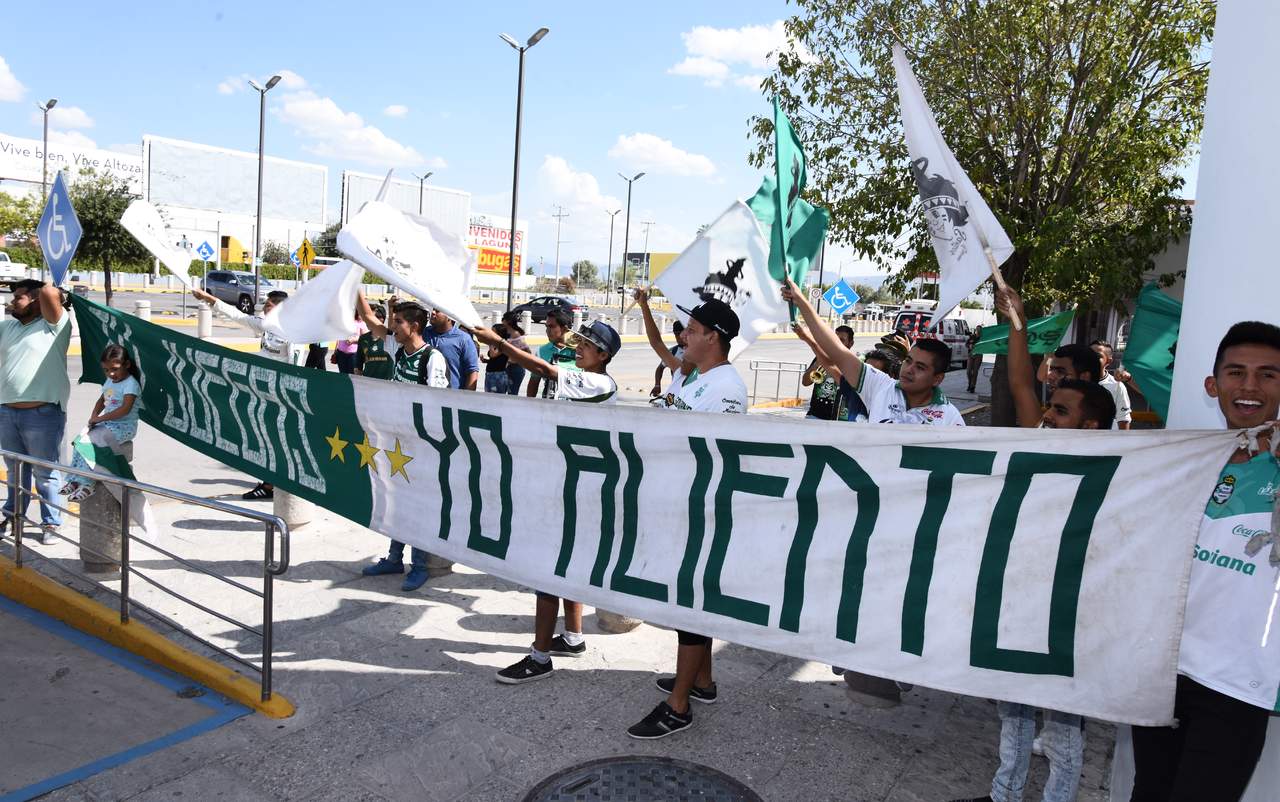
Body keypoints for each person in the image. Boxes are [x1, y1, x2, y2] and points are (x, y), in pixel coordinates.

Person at [948, 287, 1116, 802]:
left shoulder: (1116, 466)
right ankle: (1005, 793)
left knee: (1064, 727)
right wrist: (1017, 320)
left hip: (1068, 613)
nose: (1047, 413)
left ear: (1091, 426)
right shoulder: (1038, 439)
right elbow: (1021, 381)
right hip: (1020, 599)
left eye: (1060, 410)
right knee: (1013, 711)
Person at [1129, 321, 1280, 802]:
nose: (1250, 386)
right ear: (1213, 385)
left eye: (1268, 374)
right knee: (1148, 793)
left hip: (1237, 685)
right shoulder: (1185, 460)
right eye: (1236, 372)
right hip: (1162, 672)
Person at [473, 318, 622, 685]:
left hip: (576, 490)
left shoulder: (600, 383)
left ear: (604, 355)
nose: (578, 348)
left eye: (586, 345)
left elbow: (543, 370)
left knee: (548, 569)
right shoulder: (586, 377)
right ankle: (572, 637)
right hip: (570, 483)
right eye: (579, 342)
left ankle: (539, 658)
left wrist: (501, 344)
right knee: (566, 565)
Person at [628, 295, 748, 740]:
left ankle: (678, 707)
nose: (683, 337)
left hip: (699, 508)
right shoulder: (692, 375)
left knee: (690, 604)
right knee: (694, 601)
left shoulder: (727, 388)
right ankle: (702, 681)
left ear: (714, 338)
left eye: (692, 331)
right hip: (674, 499)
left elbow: (715, 456)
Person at [355, 291, 450, 592]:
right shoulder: (397, 349)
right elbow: (369, 319)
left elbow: (438, 406)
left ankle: (419, 566)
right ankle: (394, 558)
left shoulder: (432, 359)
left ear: (414, 326)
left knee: (417, 507)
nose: (392, 327)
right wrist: (355, 280)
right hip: (397, 443)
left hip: (421, 447)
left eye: (398, 322)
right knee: (396, 502)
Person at [783, 277, 964, 426]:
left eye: (920, 367)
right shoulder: (880, 387)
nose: (909, 369)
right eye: (908, 361)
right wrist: (801, 301)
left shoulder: (950, 419)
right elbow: (836, 350)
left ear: (937, 378)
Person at [191, 287, 304, 500]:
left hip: (279, 396)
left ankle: (272, 485)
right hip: (262, 392)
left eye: (268, 305)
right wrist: (207, 298)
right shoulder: (266, 325)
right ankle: (270, 482)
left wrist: (287, 400)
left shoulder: (293, 334)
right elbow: (237, 316)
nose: (264, 309)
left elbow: (295, 369)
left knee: (277, 440)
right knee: (263, 437)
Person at [0, 279, 72, 544]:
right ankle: (13, 517)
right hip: (7, 412)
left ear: (35, 300)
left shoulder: (54, 326)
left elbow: (49, 292)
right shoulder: (7, 327)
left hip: (43, 414)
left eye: (18, 297)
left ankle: (51, 523)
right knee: (15, 471)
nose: (12, 302)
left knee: (45, 473)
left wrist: (50, 275)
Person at [60, 345, 142, 502]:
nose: (111, 374)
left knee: (92, 446)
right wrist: (94, 416)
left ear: (126, 365)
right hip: (108, 424)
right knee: (79, 442)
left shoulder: (131, 384)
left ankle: (88, 484)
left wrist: (100, 419)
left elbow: (125, 410)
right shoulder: (110, 381)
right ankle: (75, 479)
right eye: (106, 370)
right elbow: (102, 400)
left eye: (115, 369)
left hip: (124, 427)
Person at [635, 290, 699, 406]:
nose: (682, 337)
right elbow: (656, 342)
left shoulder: (704, 384)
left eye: (687, 349)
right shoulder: (680, 372)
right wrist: (644, 306)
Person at [794, 324, 854, 420]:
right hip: (815, 415)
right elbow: (805, 382)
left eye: (842, 340)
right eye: (835, 339)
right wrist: (817, 363)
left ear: (850, 344)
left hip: (839, 419)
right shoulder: (821, 358)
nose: (837, 343)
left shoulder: (852, 364)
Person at [423, 307, 479, 391]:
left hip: (452, 395)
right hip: (425, 392)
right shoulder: (425, 333)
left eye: (438, 311)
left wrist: (467, 396)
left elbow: (472, 372)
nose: (433, 312)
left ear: (449, 317)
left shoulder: (463, 339)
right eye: (433, 309)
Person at [526, 310, 576, 399]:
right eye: (547, 327)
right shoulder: (541, 351)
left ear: (564, 329)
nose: (547, 331)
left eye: (551, 326)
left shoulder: (580, 350)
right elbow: (534, 381)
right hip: (549, 403)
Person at [1090, 339, 1133, 429]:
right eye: (1089, 354)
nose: (1091, 358)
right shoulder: (1074, 381)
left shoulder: (1117, 386)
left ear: (1108, 361)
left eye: (1097, 356)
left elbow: (1123, 420)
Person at [355, 303, 394, 380]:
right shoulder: (363, 338)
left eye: (370, 318)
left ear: (381, 319)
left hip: (388, 384)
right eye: (366, 319)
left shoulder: (391, 337)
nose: (367, 321)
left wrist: (391, 307)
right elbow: (358, 366)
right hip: (368, 382)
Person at [651, 320, 688, 398]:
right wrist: (657, 385)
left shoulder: (696, 350)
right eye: (676, 334)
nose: (678, 337)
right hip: (677, 392)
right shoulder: (673, 351)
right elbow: (660, 368)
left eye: (680, 333)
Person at [501, 311, 532, 395]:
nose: (502, 320)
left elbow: (528, 352)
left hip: (516, 368)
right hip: (506, 367)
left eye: (504, 319)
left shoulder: (516, 334)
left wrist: (514, 360)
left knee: (512, 393)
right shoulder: (505, 333)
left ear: (508, 321)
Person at [480, 323, 516, 394]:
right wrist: (485, 360)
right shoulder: (495, 343)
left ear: (499, 334)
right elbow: (495, 359)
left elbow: (493, 354)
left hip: (498, 375)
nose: (491, 333)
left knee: (496, 397)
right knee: (488, 396)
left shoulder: (503, 344)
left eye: (493, 332)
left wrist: (490, 342)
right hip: (490, 374)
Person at [966, 324, 984, 393]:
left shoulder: (982, 338)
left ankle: (972, 386)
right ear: (975, 330)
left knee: (975, 371)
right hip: (971, 354)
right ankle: (970, 383)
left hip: (978, 355)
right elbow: (966, 344)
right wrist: (969, 346)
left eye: (979, 330)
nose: (978, 331)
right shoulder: (972, 336)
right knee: (968, 371)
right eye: (977, 329)